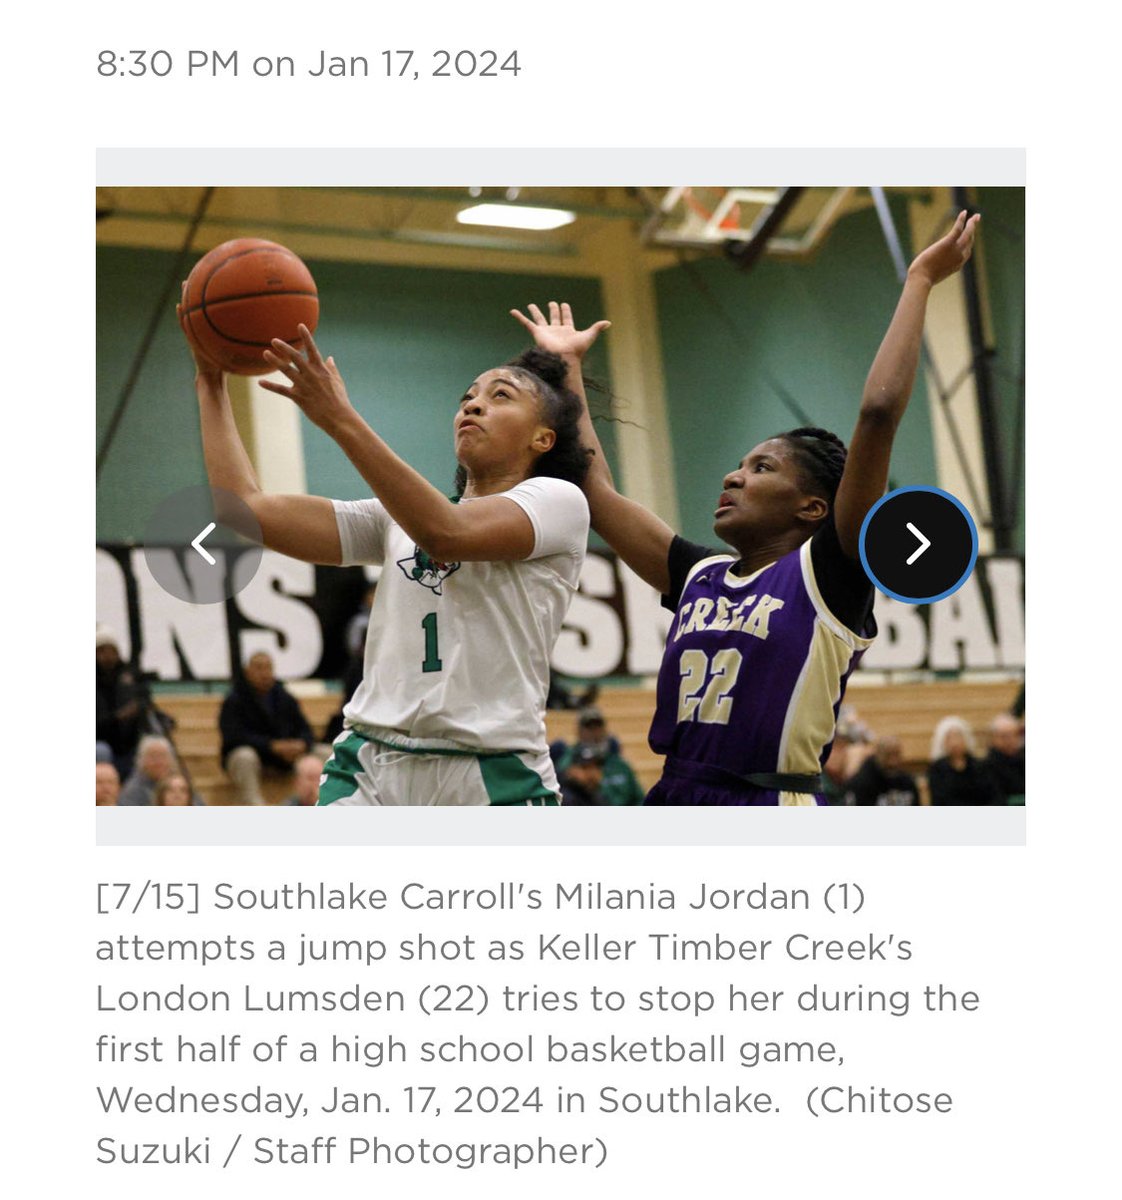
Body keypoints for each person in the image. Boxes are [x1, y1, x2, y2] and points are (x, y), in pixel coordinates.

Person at [513, 211, 981, 805]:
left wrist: (918, 281)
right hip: (672, 796)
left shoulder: (830, 572)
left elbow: (879, 413)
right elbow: (596, 492)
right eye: (741, 463)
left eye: (762, 468)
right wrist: (567, 367)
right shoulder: (699, 575)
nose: (734, 475)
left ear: (814, 507)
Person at [180, 302, 590, 806]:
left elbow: (447, 533)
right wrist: (210, 380)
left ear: (542, 437)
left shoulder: (559, 504)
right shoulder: (398, 518)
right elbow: (246, 511)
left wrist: (341, 419)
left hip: (490, 769)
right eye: (468, 397)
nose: (473, 405)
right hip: (370, 764)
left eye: (499, 396)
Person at [219, 651, 318, 805]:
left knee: (325, 752)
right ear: (248, 672)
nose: (264, 674)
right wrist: (270, 746)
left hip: (284, 758)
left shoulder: (284, 697)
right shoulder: (234, 700)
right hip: (252, 757)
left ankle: (324, 801)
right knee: (244, 757)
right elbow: (234, 737)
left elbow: (306, 729)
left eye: (268, 668)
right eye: (259, 668)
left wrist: (301, 744)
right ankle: (255, 805)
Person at [927, 716, 1002, 805]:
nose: (954, 743)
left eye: (958, 736)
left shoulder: (980, 766)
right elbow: (939, 801)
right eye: (949, 738)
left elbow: (992, 795)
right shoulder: (937, 769)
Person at [844, 735, 919, 806]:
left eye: (897, 755)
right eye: (888, 755)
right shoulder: (862, 783)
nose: (893, 762)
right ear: (878, 755)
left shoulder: (907, 782)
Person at [118, 736, 178, 806]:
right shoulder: (132, 791)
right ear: (142, 761)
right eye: (153, 757)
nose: (159, 762)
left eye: (163, 756)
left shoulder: (180, 786)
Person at [983, 713, 1025, 802]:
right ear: (994, 738)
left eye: (1014, 735)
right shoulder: (986, 766)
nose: (1009, 740)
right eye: (1004, 736)